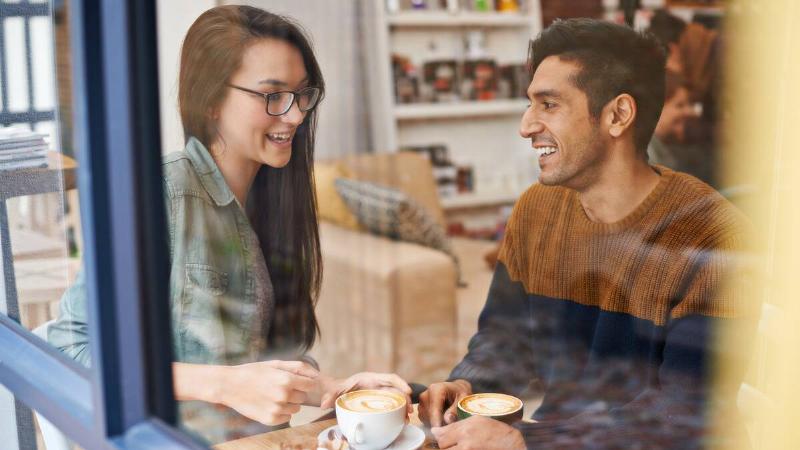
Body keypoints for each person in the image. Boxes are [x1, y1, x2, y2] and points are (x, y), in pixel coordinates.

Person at [47, 5, 410, 444]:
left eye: (301, 94)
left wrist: (332, 389)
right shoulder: (164, 192)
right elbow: (69, 348)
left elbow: (259, 363)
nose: (295, 115)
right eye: (271, 95)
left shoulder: (277, 201)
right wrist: (223, 383)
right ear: (212, 100)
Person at [419, 18, 753, 449]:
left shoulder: (713, 235)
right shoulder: (535, 211)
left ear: (617, 115)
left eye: (549, 105)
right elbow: (505, 339)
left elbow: (686, 415)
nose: (526, 126)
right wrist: (469, 386)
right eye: (530, 104)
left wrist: (527, 441)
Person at [648, 70, 695, 170]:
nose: (690, 112)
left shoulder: (662, 151)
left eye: (689, 105)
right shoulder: (643, 155)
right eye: (680, 105)